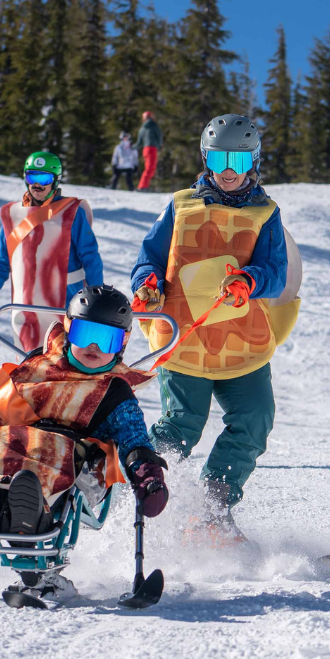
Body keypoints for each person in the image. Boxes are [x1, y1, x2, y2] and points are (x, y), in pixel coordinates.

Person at [0, 285, 169, 599]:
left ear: (121, 345)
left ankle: (30, 521)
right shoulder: (35, 368)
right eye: (84, 333)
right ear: (68, 329)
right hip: (17, 456)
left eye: (106, 339)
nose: (94, 346)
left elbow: (134, 440)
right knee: (1, 439)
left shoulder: (114, 392)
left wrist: (147, 476)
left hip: (80, 469)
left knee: (51, 455)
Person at [130, 114, 299, 541]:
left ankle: (211, 508)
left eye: (239, 162)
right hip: (185, 341)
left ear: (253, 163)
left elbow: (277, 271)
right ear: (206, 158)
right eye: (221, 158)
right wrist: (146, 284)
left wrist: (250, 280)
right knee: (181, 425)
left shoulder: (265, 213)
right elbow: (149, 257)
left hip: (242, 343)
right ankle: (137, 495)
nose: (228, 170)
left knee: (255, 418)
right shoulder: (181, 204)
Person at [0, 151, 104, 352]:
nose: (37, 184)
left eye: (44, 178)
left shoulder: (71, 212)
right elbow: (1, 263)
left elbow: (91, 258)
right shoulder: (14, 216)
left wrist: (97, 300)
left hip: (66, 308)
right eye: (32, 176)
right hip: (27, 310)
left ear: (55, 181)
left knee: (65, 371)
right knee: (30, 371)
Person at [134, 111, 163, 191]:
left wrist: (132, 147)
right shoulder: (154, 126)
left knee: (149, 168)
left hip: (145, 150)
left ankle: (144, 186)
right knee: (150, 169)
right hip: (152, 148)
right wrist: (159, 145)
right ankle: (142, 187)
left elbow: (138, 143)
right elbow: (159, 136)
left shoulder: (142, 129)